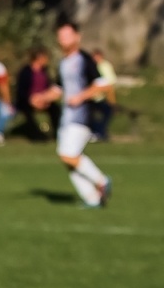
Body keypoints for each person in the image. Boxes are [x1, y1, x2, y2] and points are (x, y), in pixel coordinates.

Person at [53, 21, 113, 209]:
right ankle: (92, 198)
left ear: (77, 37)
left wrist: (81, 96)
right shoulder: (63, 62)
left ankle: (101, 180)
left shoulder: (84, 59)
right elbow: (58, 89)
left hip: (82, 116)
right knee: (69, 160)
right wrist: (42, 97)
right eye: (60, 36)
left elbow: (103, 84)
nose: (63, 39)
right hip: (67, 117)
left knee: (67, 155)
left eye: (67, 35)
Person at [14, 47, 61, 140]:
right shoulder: (25, 71)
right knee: (28, 113)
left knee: (56, 110)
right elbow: (21, 91)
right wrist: (31, 100)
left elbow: (50, 87)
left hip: (43, 99)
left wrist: (45, 99)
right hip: (27, 101)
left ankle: (57, 134)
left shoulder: (45, 71)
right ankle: (37, 136)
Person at [89, 47, 118, 141]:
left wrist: (112, 102)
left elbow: (110, 86)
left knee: (107, 112)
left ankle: (100, 132)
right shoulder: (89, 66)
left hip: (102, 98)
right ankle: (94, 132)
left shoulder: (105, 66)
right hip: (89, 98)